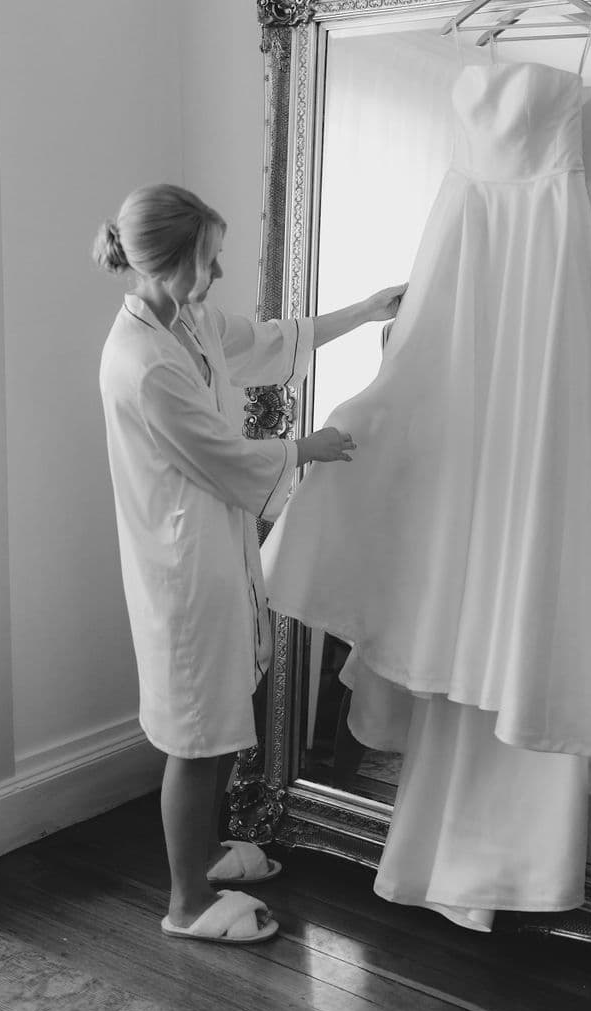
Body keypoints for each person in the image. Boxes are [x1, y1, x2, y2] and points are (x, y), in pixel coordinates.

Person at [94, 183, 403, 946]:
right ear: (166, 262)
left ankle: (202, 856)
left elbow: (269, 340)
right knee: (197, 737)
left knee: (217, 720)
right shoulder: (143, 363)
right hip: (183, 564)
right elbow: (219, 454)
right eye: (209, 258)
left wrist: (365, 310)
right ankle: (186, 902)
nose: (220, 272)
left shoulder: (186, 322)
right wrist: (310, 448)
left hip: (209, 540)